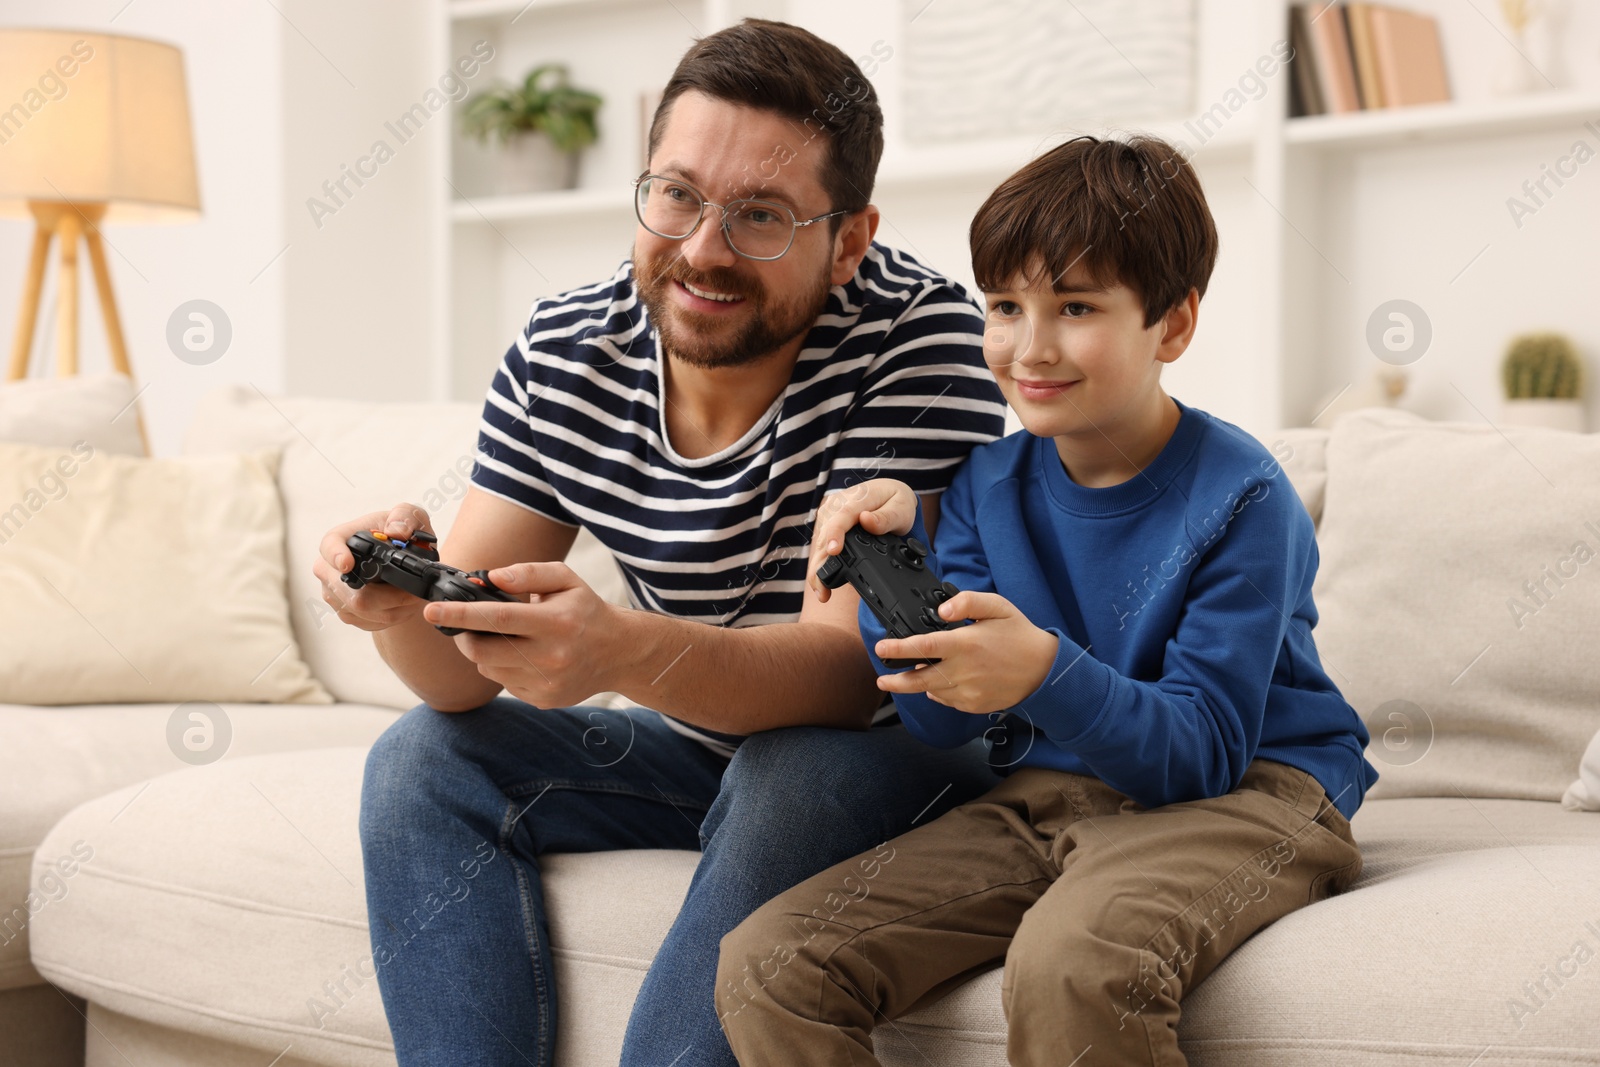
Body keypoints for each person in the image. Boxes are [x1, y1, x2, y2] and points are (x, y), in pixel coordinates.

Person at [310, 19, 1009, 1067]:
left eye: (760, 216)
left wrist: (619, 652)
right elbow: (455, 683)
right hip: (700, 742)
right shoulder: (565, 351)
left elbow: (846, 672)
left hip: (900, 743)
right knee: (420, 760)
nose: (702, 249)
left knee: (792, 771)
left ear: (850, 239)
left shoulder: (920, 339)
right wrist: (395, 606)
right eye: (676, 193)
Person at [714, 133, 1381, 1066]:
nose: (1030, 347)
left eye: (1074, 306)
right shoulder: (986, 485)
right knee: (771, 961)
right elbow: (946, 731)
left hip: (1252, 789)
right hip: (1047, 792)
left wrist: (1043, 671)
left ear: (1173, 325)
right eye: (1004, 305)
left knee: (1073, 963)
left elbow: (1202, 754)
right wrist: (893, 586)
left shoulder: (1243, 495)